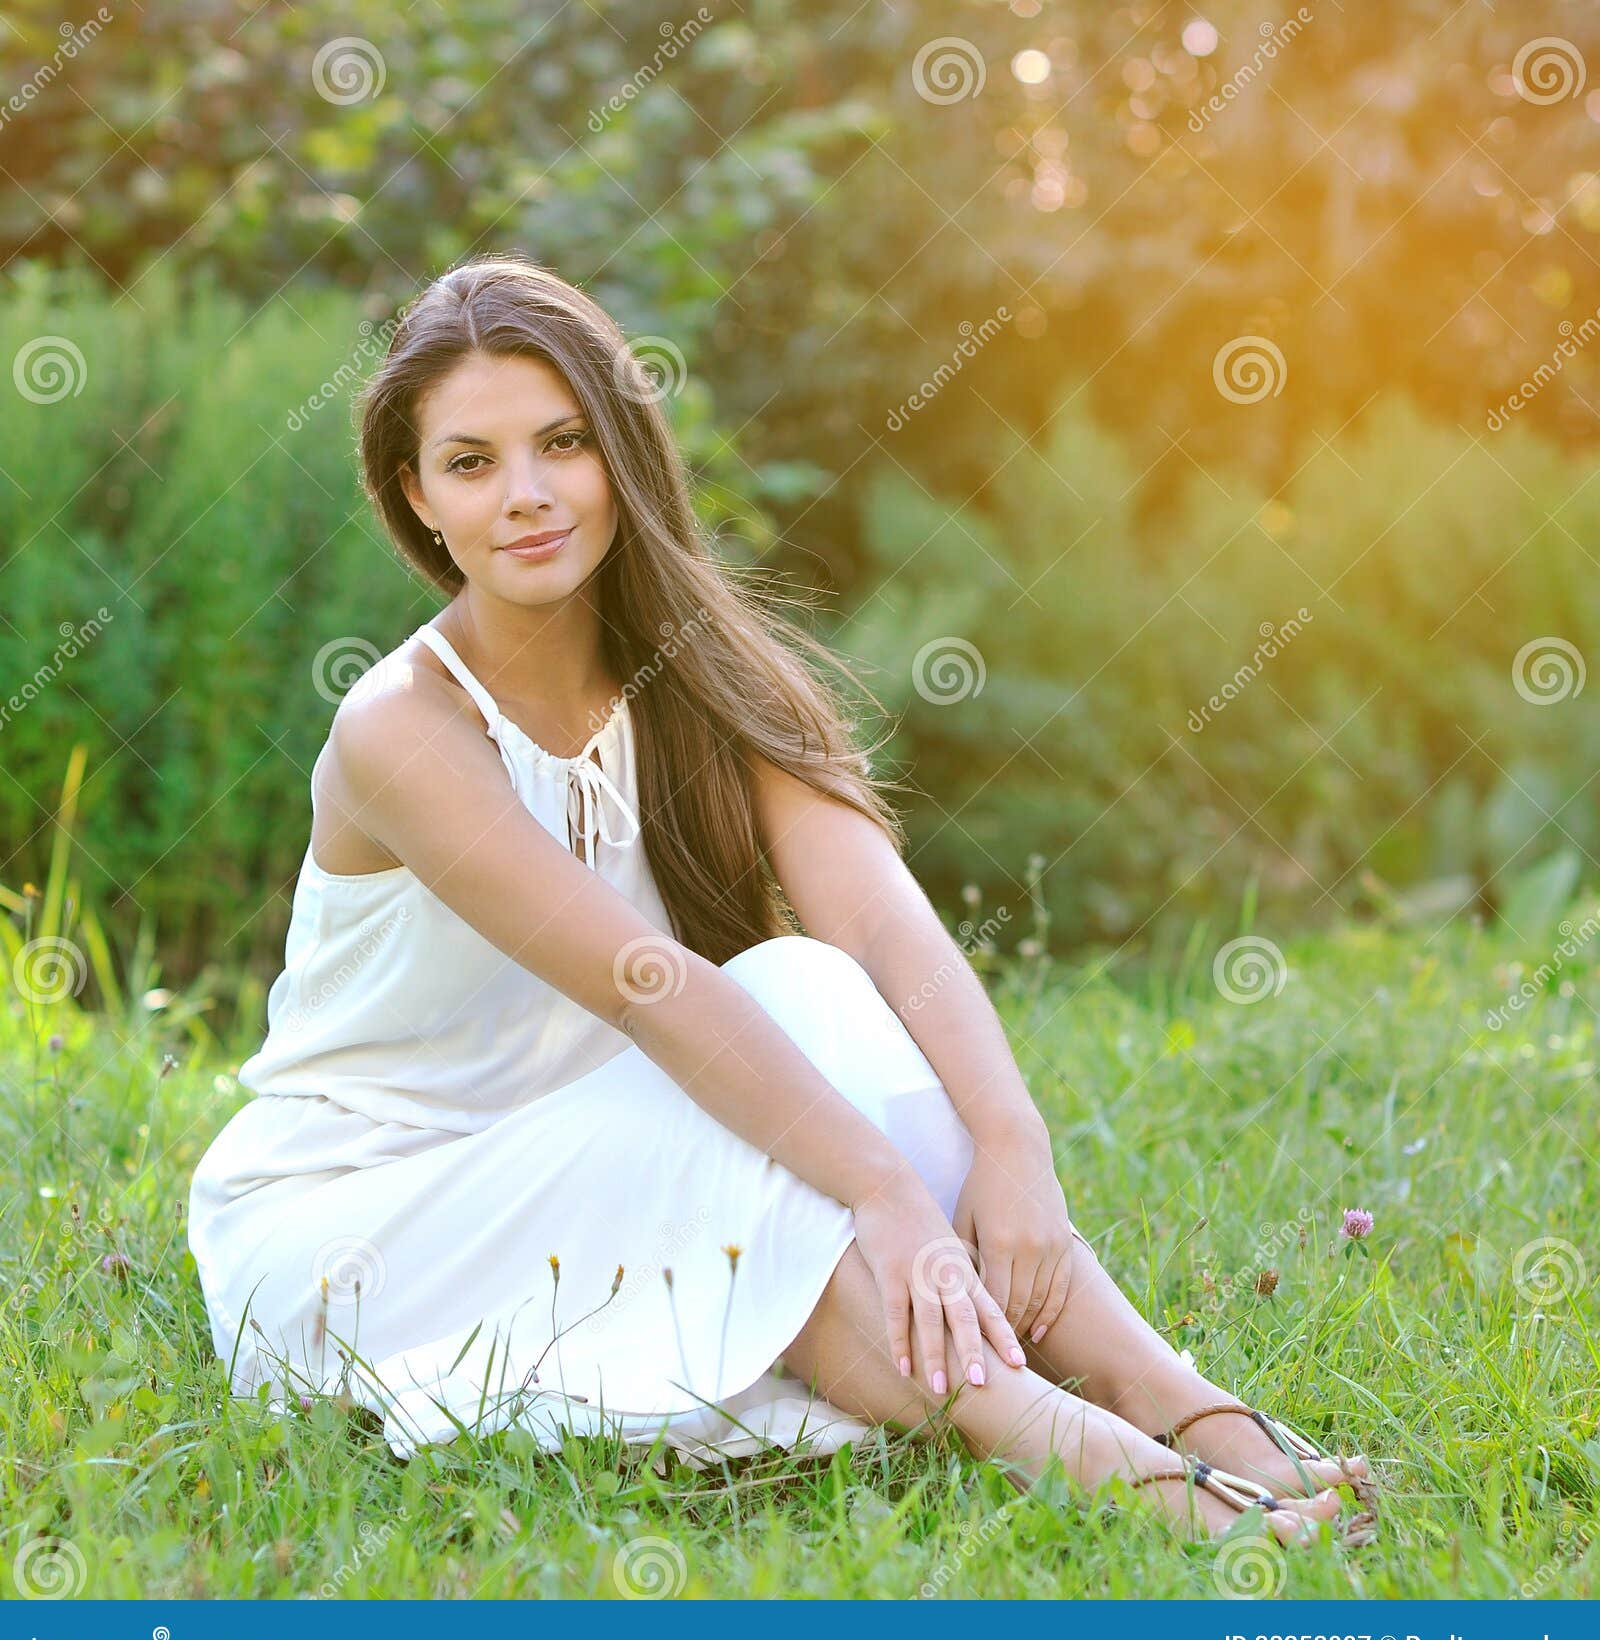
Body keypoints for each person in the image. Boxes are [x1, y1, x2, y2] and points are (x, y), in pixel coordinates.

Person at [188, 255, 1373, 1548]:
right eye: (471, 464)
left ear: (621, 455)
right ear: (417, 497)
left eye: (562, 445)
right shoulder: (400, 731)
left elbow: (874, 924)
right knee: (752, 1160)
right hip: (365, 1222)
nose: (525, 497)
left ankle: (1177, 1396)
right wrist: (886, 1190)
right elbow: (655, 988)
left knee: (808, 985)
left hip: (595, 1146)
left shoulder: (693, 673)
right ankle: (1127, 1474)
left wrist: (1013, 1140)